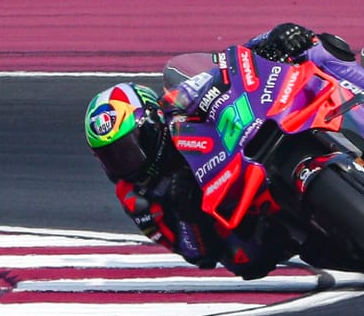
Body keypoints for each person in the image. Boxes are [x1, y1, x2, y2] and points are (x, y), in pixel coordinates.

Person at [82, 80, 289, 278]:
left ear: (152, 122)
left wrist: (265, 45)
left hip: (243, 142)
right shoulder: (134, 197)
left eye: (128, 149)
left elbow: (227, 69)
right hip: (235, 216)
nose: (124, 161)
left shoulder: (179, 104)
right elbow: (196, 254)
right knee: (244, 259)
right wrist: (187, 213)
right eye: (111, 156)